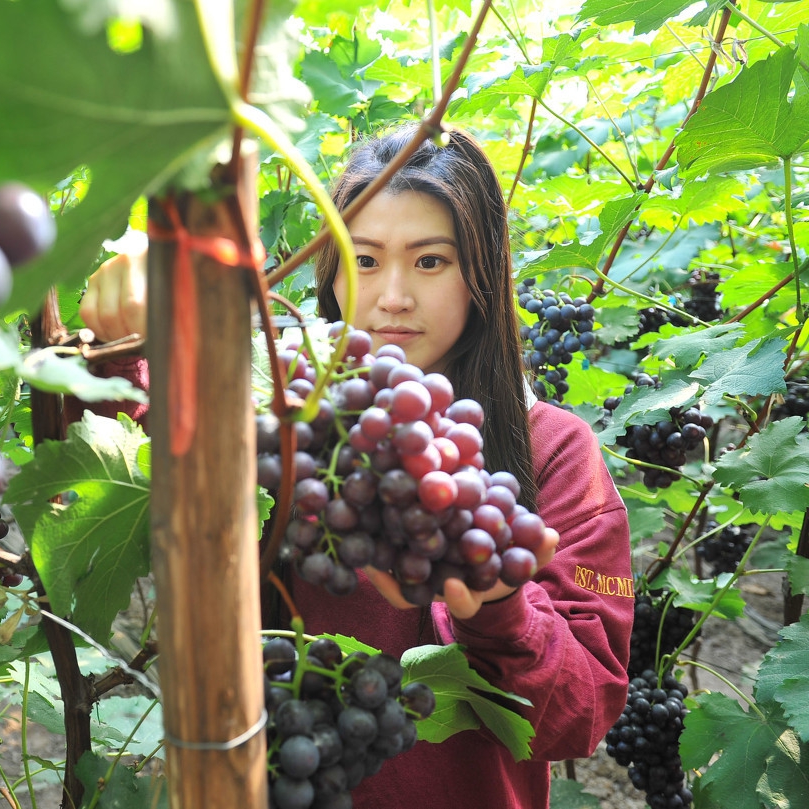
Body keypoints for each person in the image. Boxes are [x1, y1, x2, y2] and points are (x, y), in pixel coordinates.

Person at [75, 123, 633, 809]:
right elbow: (139, 433)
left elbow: (584, 713)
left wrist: (501, 608)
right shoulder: (280, 414)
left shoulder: (555, 450)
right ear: (330, 272)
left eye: (430, 261)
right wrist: (125, 335)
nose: (393, 294)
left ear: (482, 274)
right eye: (364, 260)